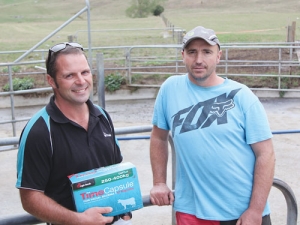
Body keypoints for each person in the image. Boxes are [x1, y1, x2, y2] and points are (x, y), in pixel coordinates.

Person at [149, 26, 275, 225]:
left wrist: (255, 210)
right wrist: (159, 182)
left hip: (241, 213)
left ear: (218, 56)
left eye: (207, 52)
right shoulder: (170, 89)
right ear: (183, 55)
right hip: (191, 211)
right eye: (192, 52)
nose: (199, 60)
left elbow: (266, 154)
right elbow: (158, 137)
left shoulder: (242, 96)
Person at [16, 42, 131, 225]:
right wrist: (78, 220)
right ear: (51, 80)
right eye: (69, 75)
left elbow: (115, 168)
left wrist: (124, 207)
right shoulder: (39, 131)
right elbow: (29, 197)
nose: (81, 81)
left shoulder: (102, 116)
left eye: (84, 72)